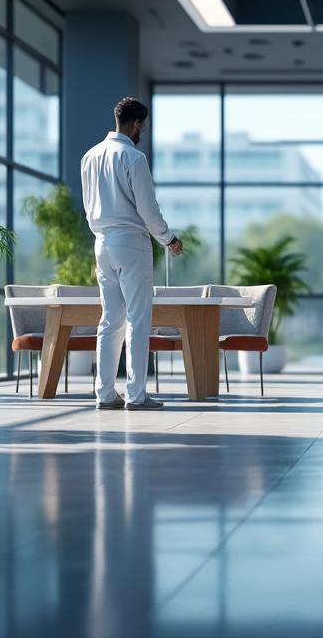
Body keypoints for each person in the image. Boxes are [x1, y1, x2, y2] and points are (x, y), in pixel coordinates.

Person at [81, 97, 182, 411]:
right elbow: (148, 211)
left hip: (101, 243)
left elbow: (87, 207)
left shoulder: (90, 156)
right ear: (137, 124)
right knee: (138, 320)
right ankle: (136, 396)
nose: (142, 132)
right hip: (131, 243)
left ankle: (105, 394)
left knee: (110, 320)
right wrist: (169, 239)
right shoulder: (133, 157)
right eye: (143, 126)